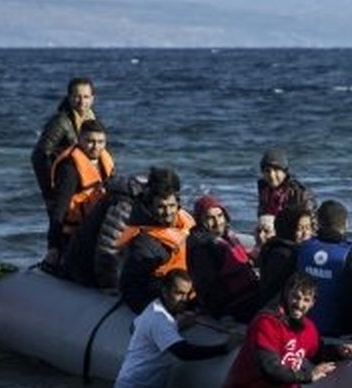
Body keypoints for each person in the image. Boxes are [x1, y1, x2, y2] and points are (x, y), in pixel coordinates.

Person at [220, 272, 352, 388]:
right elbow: (270, 369)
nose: (299, 304)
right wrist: (309, 376)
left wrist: (339, 351)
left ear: (313, 303)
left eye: (306, 300)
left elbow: (317, 352)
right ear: (286, 294)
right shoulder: (266, 323)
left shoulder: (308, 328)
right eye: (296, 297)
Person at [112, 270, 238, 388]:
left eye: (187, 294)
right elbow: (184, 353)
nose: (184, 300)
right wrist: (225, 348)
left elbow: (134, 328)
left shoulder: (153, 307)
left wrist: (176, 326)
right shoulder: (160, 318)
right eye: (178, 293)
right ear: (165, 290)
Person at [116, 168, 196, 314]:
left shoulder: (187, 223)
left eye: (172, 206)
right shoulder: (144, 242)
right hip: (163, 296)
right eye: (161, 207)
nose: (168, 213)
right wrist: (157, 315)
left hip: (187, 290)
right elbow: (130, 287)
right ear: (150, 206)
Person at [45, 119, 114, 268]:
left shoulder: (105, 161)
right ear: (79, 139)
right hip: (74, 234)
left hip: (99, 229)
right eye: (90, 141)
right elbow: (59, 209)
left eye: (101, 142)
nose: (96, 147)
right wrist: (53, 246)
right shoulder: (69, 168)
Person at [31, 77, 98, 219]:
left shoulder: (91, 120)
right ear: (69, 97)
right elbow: (39, 155)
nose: (82, 101)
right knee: (60, 230)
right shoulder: (60, 122)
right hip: (64, 189)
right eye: (77, 97)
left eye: (86, 97)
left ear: (93, 98)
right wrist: (51, 192)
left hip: (83, 187)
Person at [186, 195, 260, 323]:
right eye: (210, 218)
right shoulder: (203, 247)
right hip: (232, 305)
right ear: (200, 220)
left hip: (247, 294)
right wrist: (224, 314)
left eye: (220, 216)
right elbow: (208, 286)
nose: (217, 222)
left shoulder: (228, 237)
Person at [297, 199, 352, 337]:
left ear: (319, 223)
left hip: (302, 325)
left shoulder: (303, 248)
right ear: (346, 224)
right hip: (336, 332)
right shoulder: (351, 254)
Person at [257, 205, 315, 308]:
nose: (306, 233)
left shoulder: (274, 246)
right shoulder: (283, 255)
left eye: (308, 227)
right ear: (288, 229)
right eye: (300, 228)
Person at [256, 148, 316, 217]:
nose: (272, 175)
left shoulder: (297, 191)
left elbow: (310, 208)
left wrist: (305, 216)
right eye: (267, 171)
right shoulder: (264, 191)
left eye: (276, 170)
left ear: (284, 172)